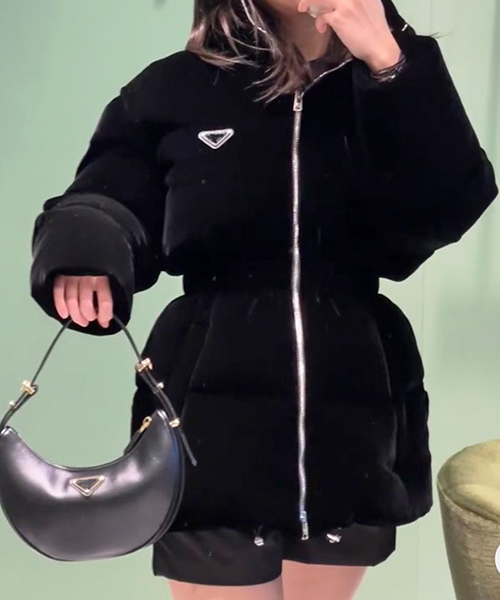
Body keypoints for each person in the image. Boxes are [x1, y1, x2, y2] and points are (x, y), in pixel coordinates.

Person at [29, 0, 498, 599]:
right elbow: (108, 193)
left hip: (351, 414)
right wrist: (86, 248)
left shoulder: (391, 76)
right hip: (208, 417)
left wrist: (389, 63)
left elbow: (451, 202)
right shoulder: (173, 88)